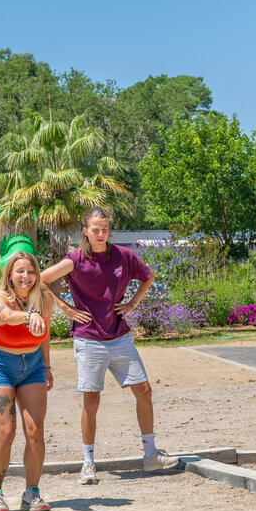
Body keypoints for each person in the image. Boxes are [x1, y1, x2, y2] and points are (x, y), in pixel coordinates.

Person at [42, 208, 179, 485]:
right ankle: (88, 462)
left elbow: (148, 277)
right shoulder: (75, 260)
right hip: (88, 337)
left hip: (119, 336)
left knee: (144, 390)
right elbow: (42, 280)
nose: (101, 234)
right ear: (85, 231)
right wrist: (66, 309)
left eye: (104, 229)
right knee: (91, 401)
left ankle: (150, 455)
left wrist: (132, 303)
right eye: (95, 230)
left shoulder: (123, 256)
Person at [0, 252, 53, 511]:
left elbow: (44, 337)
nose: (25, 276)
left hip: (32, 365)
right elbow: (7, 317)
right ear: (10, 275)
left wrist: (46, 366)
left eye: (31, 271)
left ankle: (31, 492)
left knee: (35, 432)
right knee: (6, 431)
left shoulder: (44, 299)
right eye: (20, 271)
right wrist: (28, 316)